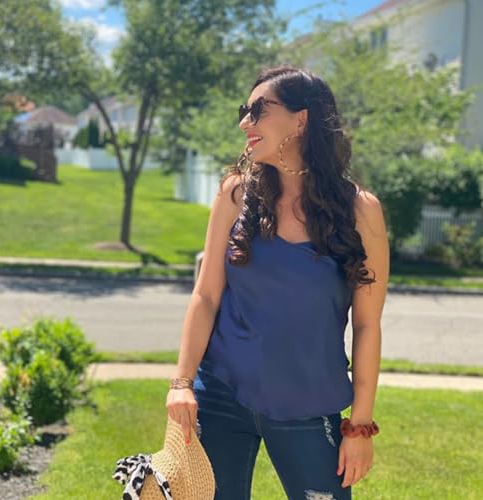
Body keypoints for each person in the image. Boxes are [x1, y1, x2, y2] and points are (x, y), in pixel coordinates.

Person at [166, 65, 389, 500]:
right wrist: (182, 384)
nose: (244, 123)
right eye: (243, 111)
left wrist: (360, 425)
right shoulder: (235, 194)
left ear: (300, 119)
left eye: (258, 111)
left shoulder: (360, 210)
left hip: (310, 406)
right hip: (221, 397)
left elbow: (367, 324)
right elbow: (206, 296)